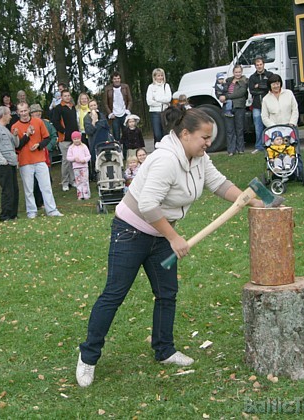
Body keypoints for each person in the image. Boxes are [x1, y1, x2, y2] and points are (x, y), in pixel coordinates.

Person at [76, 106, 265, 387]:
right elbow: (148, 204)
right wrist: (174, 238)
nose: (208, 143)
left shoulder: (198, 157)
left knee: (167, 293)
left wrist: (250, 199)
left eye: (210, 137)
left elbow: (219, 184)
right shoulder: (166, 160)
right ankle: (88, 357)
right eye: (204, 137)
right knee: (114, 294)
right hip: (131, 232)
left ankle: (164, 350)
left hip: (161, 234)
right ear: (185, 134)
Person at [12, 102, 64, 218]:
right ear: (18, 113)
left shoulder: (38, 122)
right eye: (21, 111)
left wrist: (39, 145)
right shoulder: (15, 127)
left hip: (40, 159)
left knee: (46, 186)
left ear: (29, 110)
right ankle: (31, 211)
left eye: (25, 110)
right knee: (28, 189)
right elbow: (17, 146)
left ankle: (52, 210)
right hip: (25, 161)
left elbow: (47, 138)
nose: (24, 113)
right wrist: (27, 135)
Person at [0, 106, 20, 222]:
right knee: (7, 190)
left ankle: (13, 215)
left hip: (11, 163)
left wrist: (15, 135)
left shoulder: (6, 129)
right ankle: (5, 216)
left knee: (14, 189)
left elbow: (16, 145)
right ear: (3, 115)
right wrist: (3, 161)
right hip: (3, 165)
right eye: (9, 114)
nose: (11, 117)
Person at [51, 90, 79, 191]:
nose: (67, 97)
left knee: (73, 160)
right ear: (61, 97)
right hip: (64, 139)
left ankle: (73, 181)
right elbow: (55, 122)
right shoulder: (58, 108)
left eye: (68, 95)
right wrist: (64, 131)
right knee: (66, 160)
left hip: (74, 138)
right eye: (65, 96)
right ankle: (65, 182)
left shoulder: (72, 107)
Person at [218, 65, 248, 156]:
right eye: (236, 72)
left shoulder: (244, 81)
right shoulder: (228, 80)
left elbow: (240, 93)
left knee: (239, 128)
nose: (238, 74)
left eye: (239, 72)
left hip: (239, 106)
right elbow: (222, 90)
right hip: (228, 107)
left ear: (241, 72)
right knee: (230, 129)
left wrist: (226, 97)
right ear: (233, 72)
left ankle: (240, 149)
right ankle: (231, 150)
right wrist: (221, 96)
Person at [249, 56, 273, 154]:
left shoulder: (270, 75)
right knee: (258, 127)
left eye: (260, 64)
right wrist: (262, 88)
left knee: (269, 126)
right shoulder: (252, 77)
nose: (259, 66)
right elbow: (252, 91)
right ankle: (259, 146)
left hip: (269, 105)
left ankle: (271, 144)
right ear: (255, 66)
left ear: (264, 64)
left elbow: (270, 88)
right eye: (257, 65)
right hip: (257, 106)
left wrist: (259, 86)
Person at [104, 72, 133, 142]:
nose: (117, 80)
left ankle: (126, 152)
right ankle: (118, 152)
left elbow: (130, 100)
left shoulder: (125, 87)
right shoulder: (107, 89)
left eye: (118, 78)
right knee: (116, 136)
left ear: (120, 79)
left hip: (124, 114)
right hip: (114, 116)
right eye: (115, 79)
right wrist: (110, 113)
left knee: (126, 135)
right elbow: (105, 103)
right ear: (112, 80)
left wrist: (127, 110)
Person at [146, 68, 172, 145]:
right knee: (157, 135)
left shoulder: (166, 86)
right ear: (154, 77)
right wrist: (161, 103)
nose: (160, 77)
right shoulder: (151, 87)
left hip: (165, 112)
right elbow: (149, 101)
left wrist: (157, 99)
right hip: (155, 113)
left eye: (161, 75)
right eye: (158, 76)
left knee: (165, 133)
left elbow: (168, 98)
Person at [66, 131, 91, 200]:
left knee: (85, 180)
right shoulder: (71, 148)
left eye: (78, 139)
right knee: (78, 181)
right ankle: (80, 195)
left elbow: (88, 156)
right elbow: (68, 157)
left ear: (80, 138)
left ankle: (86, 194)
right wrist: (74, 159)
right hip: (76, 167)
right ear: (72, 140)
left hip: (84, 166)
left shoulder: (84, 146)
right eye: (75, 139)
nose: (76, 140)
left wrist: (84, 160)